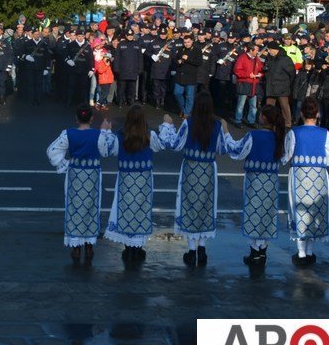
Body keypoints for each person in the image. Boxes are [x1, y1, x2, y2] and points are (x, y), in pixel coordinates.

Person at [158, 91, 233, 266]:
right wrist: (226, 130)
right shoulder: (216, 125)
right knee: (206, 207)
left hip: (191, 168)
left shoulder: (189, 123)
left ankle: (191, 250)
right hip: (208, 168)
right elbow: (223, 149)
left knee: (189, 206)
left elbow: (176, 144)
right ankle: (202, 248)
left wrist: (167, 126)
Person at [47, 105, 118, 265]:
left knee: (74, 207)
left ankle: (76, 246)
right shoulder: (97, 135)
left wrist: (66, 164)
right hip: (92, 175)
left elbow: (52, 151)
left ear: (76, 118)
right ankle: (89, 245)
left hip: (75, 175)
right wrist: (106, 131)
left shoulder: (68, 134)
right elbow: (107, 151)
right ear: (92, 118)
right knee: (92, 208)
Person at [225, 104, 288, 267]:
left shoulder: (253, 135)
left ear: (264, 118)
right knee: (267, 214)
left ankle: (254, 252)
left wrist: (226, 133)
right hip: (271, 180)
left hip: (255, 179)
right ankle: (262, 251)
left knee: (254, 213)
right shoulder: (279, 136)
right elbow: (283, 158)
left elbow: (237, 151)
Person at [104, 104, 163, 263]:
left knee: (126, 210)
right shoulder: (149, 136)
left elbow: (109, 150)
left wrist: (107, 131)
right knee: (141, 211)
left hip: (126, 179)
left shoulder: (121, 135)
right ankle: (138, 248)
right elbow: (160, 145)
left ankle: (128, 248)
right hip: (144, 179)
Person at [285, 97, 329, 267]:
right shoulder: (325, 133)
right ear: (318, 114)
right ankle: (309, 251)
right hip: (318, 175)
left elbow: (287, 156)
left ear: (301, 113)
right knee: (315, 210)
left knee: (299, 209)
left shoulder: (294, 132)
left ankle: (300, 253)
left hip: (299, 174)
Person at [264, 41, 296, 127]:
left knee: (284, 106)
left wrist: (289, 84)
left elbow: (292, 73)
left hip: (282, 87)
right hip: (270, 85)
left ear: (275, 49)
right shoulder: (269, 58)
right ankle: (269, 122)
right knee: (269, 106)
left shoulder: (285, 59)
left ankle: (287, 123)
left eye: (270, 49)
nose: (268, 51)